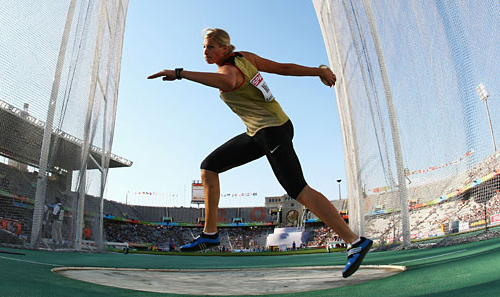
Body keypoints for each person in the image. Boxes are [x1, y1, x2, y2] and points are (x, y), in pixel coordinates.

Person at [148, 28, 372, 278]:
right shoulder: (246, 58)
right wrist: (317, 71)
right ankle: (210, 234)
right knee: (209, 167)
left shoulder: (229, 70)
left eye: (211, 47)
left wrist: (179, 74)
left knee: (298, 189)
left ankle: (354, 240)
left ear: (225, 48)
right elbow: (283, 69)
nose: (205, 51)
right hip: (261, 131)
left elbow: (229, 82)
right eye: (203, 47)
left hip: (271, 132)